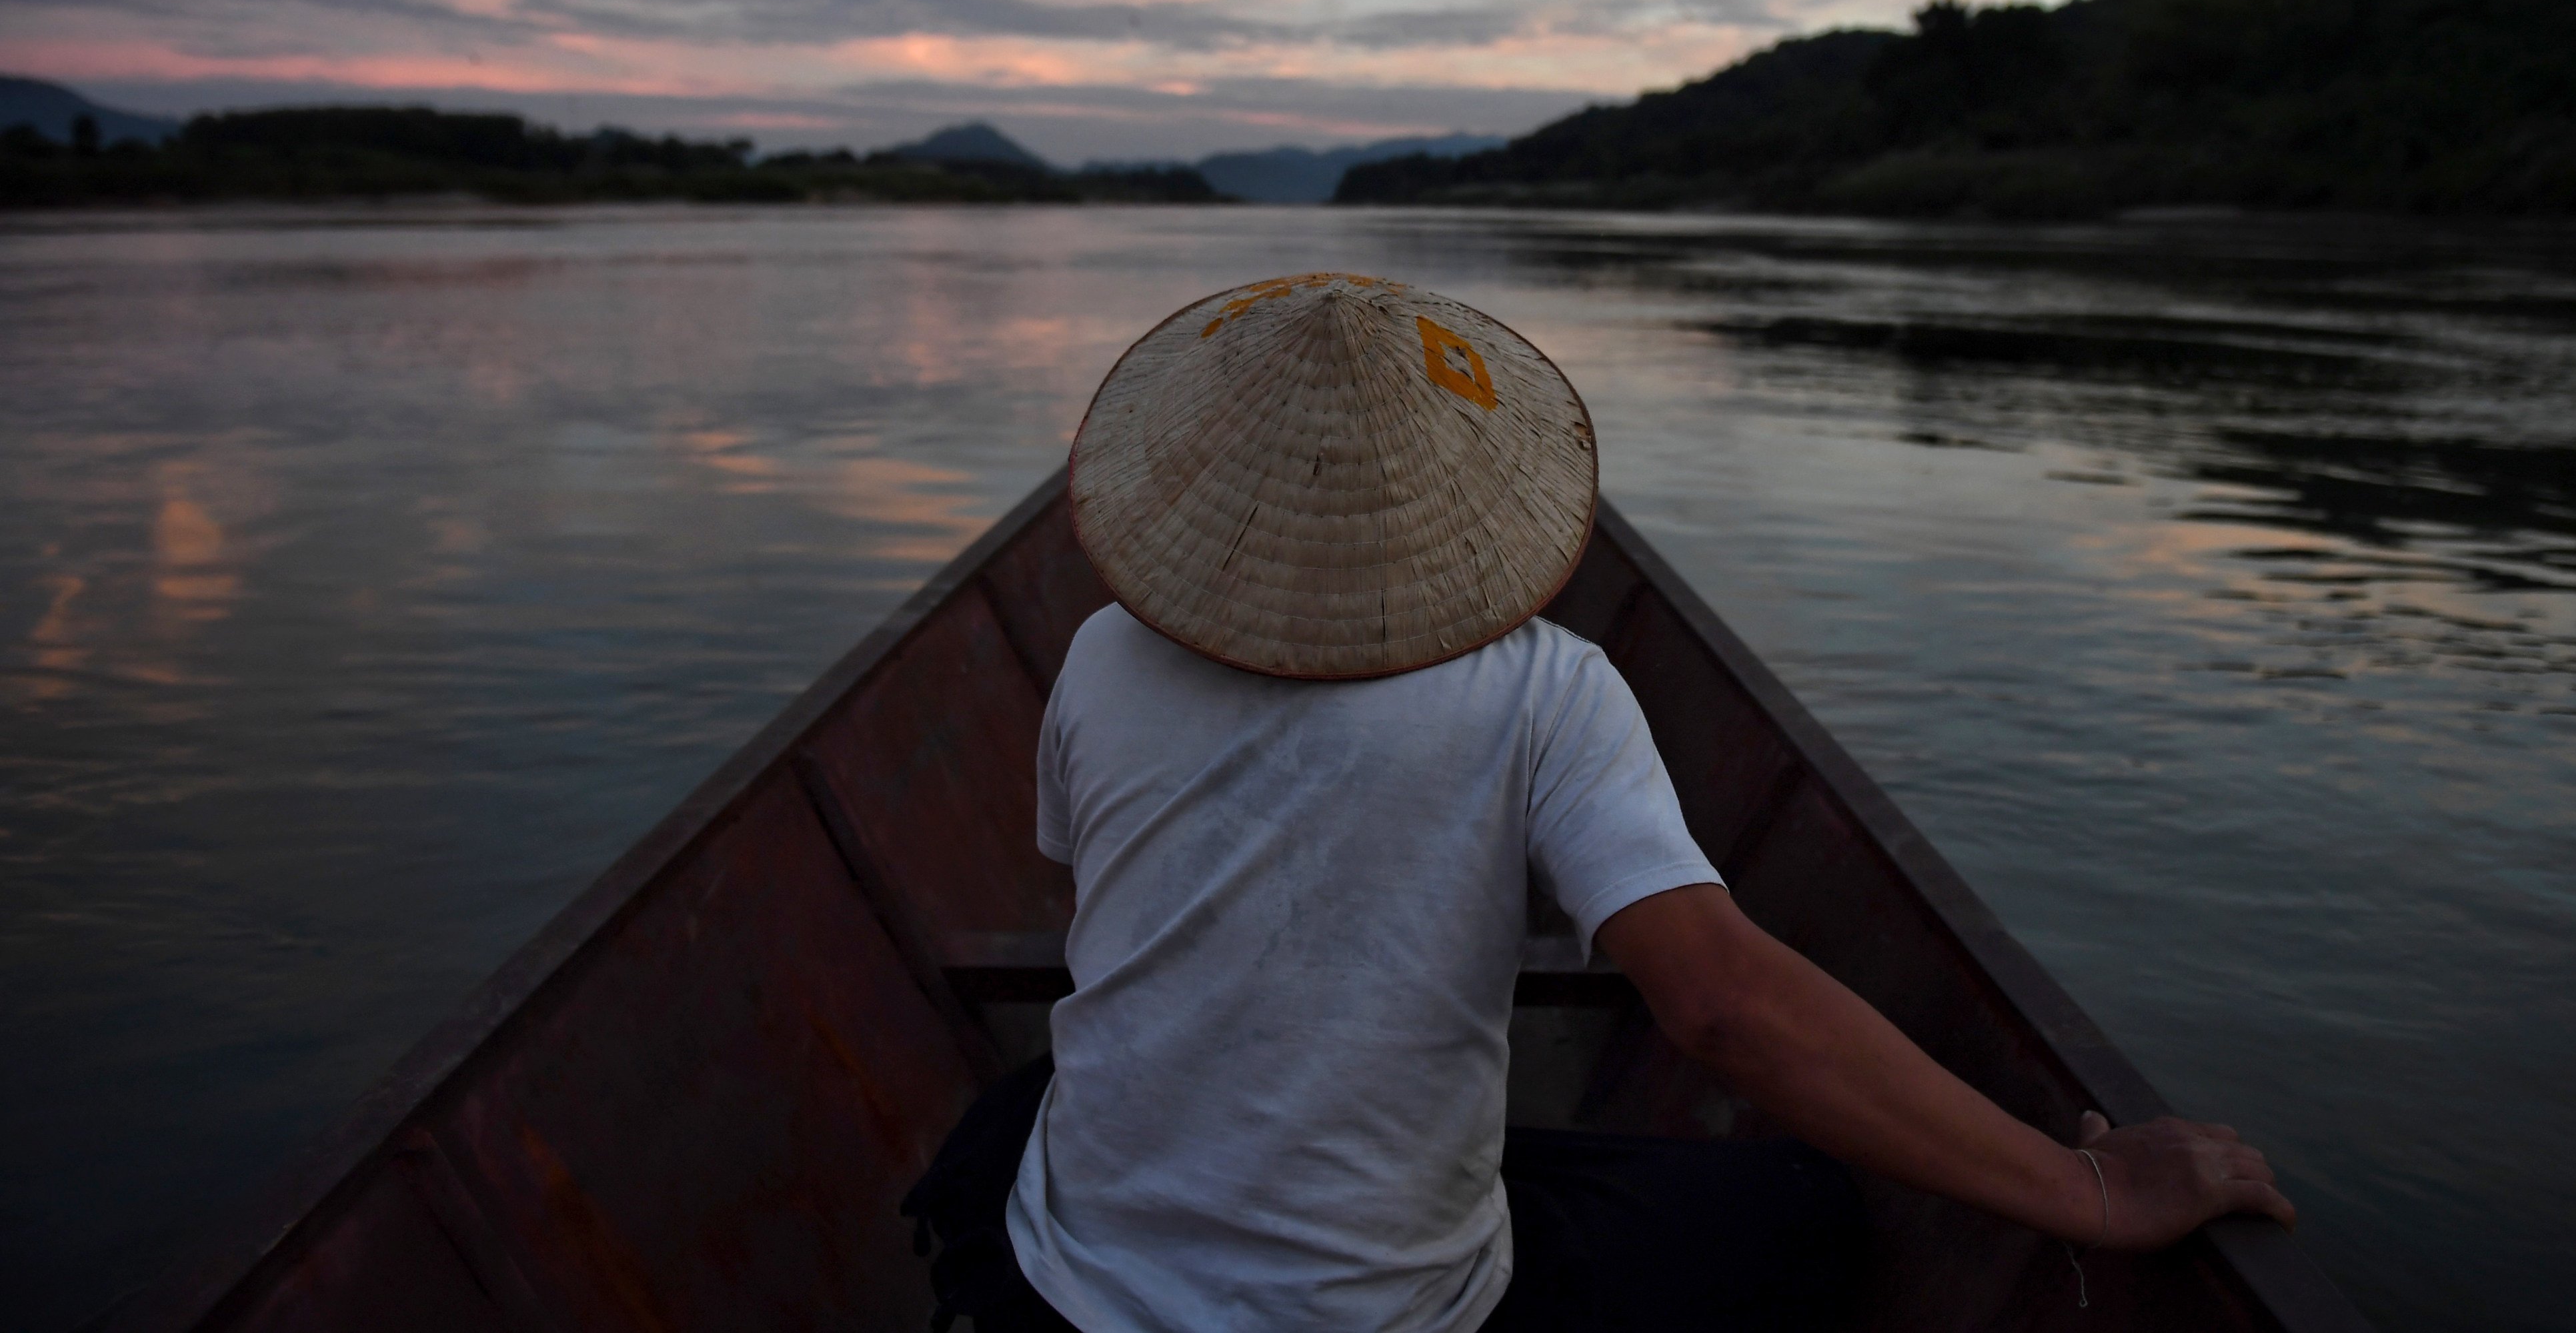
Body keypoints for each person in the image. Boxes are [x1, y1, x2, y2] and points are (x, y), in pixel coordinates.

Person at [904, 273, 2295, 1332]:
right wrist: (2088, 1192)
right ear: (1465, 496)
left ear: (1197, 488)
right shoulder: (1545, 686)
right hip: (1391, 1315)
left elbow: (1093, 893)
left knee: (1025, 1103)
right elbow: (1720, 1010)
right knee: (1799, 1208)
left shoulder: (1096, 652)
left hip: (1066, 1292)